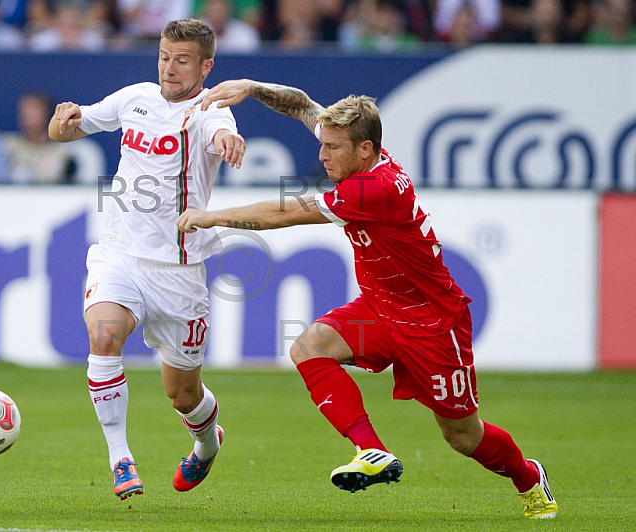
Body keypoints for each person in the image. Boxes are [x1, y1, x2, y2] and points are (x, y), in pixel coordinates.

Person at [176, 79, 558, 519]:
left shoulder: (374, 189)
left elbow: (287, 212)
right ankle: (372, 450)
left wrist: (212, 216)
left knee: (463, 437)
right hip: (380, 310)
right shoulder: (365, 155)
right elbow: (301, 103)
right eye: (324, 145)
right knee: (308, 347)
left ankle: (530, 478)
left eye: (333, 148)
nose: (322, 155)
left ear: (365, 150)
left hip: (433, 324)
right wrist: (252, 87)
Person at [48, 19, 245, 500]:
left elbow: (220, 128)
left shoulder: (210, 110)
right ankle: (120, 459)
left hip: (179, 273)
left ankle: (204, 442)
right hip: (120, 253)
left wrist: (225, 140)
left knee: (183, 393)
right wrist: (62, 122)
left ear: (206, 66)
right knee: (104, 333)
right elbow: (70, 129)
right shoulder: (134, 97)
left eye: (182, 60)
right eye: (164, 56)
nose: (169, 68)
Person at [4, 92, 73, 183]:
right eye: (23, 110)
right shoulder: (7, 145)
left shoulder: (62, 151)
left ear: (46, 113)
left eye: (33, 110)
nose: (26, 114)